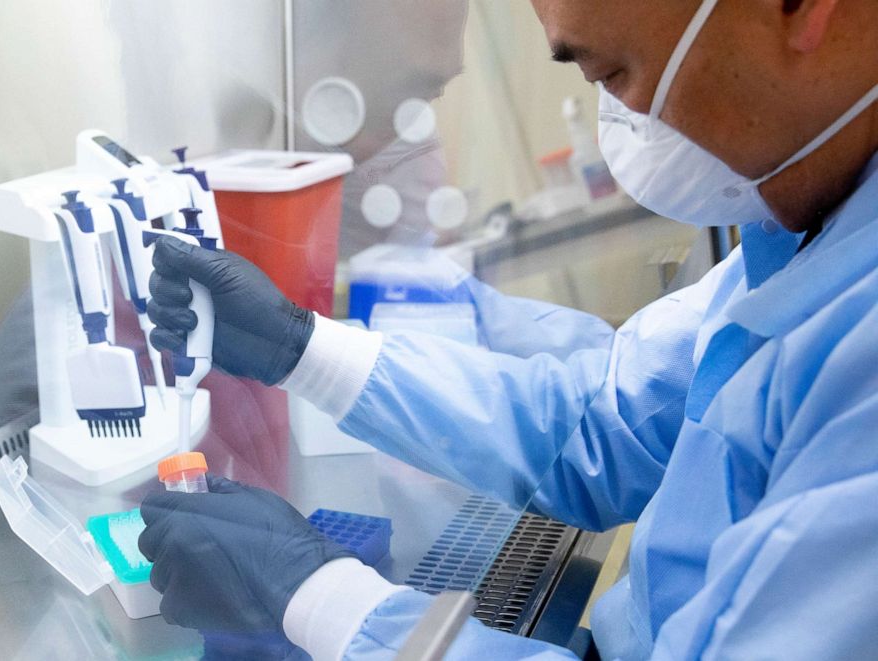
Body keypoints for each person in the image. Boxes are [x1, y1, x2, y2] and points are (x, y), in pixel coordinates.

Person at [138, 0, 878, 658]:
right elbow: (603, 423)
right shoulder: (812, 237)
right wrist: (305, 347)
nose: (625, 133)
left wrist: (318, 596)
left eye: (615, 74)